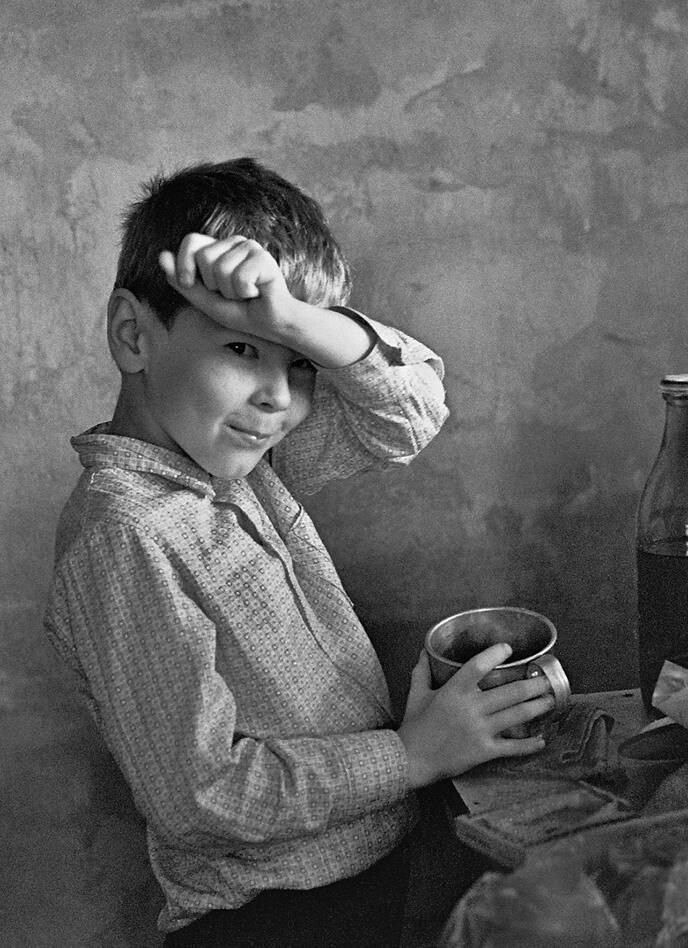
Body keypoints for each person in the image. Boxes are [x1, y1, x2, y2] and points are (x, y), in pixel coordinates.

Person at [43, 158, 554, 947]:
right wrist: (410, 757)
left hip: (367, 884)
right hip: (270, 921)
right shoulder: (126, 534)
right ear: (133, 335)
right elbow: (199, 796)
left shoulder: (243, 465)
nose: (279, 398)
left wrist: (293, 319)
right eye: (242, 349)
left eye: (299, 363)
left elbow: (410, 413)